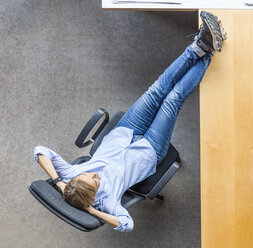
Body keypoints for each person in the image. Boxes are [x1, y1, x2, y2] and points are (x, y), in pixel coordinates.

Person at [34, 11, 227, 232]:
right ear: (94, 198)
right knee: (172, 100)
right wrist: (93, 211)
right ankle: (209, 53)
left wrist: (58, 181)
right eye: (95, 182)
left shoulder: (71, 177)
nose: (94, 174)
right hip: (149, 151)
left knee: (156, 90)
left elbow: (40, 151)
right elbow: (127, 224)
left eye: (87, 175)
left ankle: (199, 47)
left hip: (124, 132)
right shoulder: (107, 202)